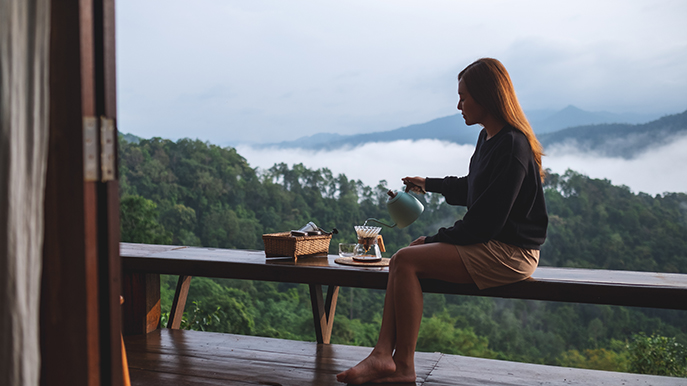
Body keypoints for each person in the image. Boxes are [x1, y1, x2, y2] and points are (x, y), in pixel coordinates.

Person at [336, 58, 548, 385]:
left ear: (487, 96)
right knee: (403, 261)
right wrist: (429, 183)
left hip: (512, 253)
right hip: (494, 244)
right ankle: (382, 356)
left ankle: (402, 366)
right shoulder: (490, 139)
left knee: (405, 260)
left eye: (464, 97)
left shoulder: (512, 145)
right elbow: (473, 187)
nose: (459, 105)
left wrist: (437, 238)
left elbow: (485, 223)